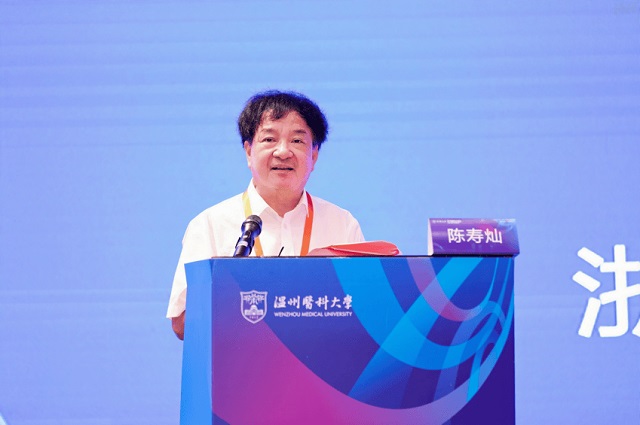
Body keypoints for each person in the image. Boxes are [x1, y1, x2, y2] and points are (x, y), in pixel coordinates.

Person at [167, 90, 365, 339]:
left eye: (297, 141)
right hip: (243, 361)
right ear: (248, 151)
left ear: (314, 156)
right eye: (269, 139)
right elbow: (181, 325)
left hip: (321, 361)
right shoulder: (210, 224)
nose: (283, 151)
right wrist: (225, 293)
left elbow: (365, 311)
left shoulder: (342, 224)